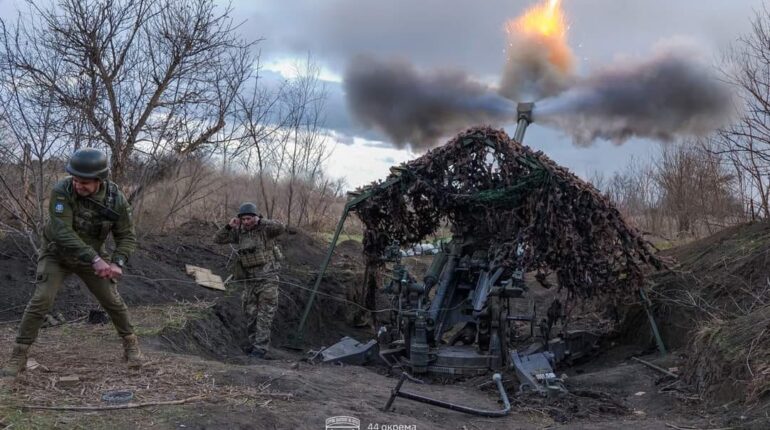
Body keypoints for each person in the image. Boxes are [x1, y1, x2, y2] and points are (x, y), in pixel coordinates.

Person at [1, 148, 143, 378]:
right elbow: (60, 231)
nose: (78, 185)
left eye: (85, 182)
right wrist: (95, 259)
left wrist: (117, 261)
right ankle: (19, 354)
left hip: (92, 258)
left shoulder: (116, 200)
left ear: (100, 180)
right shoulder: (62, 190)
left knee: (112, 301)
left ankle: (131, 346)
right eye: (76, 180)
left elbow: (126, 236)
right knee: (41, 299)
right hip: (57, 255)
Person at [214, 202, 292, 358]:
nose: (246, 222)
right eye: (244, 219)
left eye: (249, 219)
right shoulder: (240, 232)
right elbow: (218, 239)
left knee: (265, 315)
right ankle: (253, 344)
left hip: (268, 280)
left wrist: (260, 221)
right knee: (250, 314)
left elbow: (281, 227)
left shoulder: (266, 230)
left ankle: (260, 348)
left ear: (255, 217)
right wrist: (229, 226)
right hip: (249, 281)